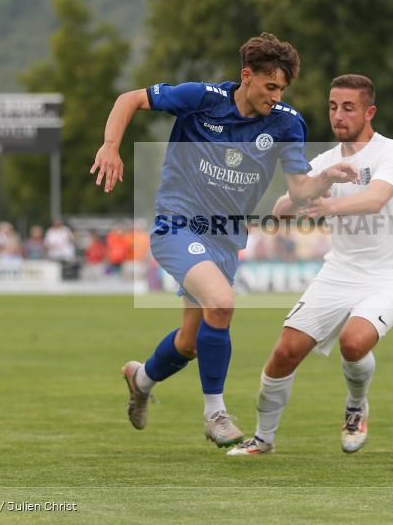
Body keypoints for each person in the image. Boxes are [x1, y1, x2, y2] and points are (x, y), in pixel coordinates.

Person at [90, 33, 358, 447]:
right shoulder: (202, 98)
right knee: (222, 303)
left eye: (282, 89)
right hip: (176, 224)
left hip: (224, 238)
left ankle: (140, 379)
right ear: (246, 76)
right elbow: (129, 99)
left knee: (190, 342)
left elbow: (300, 190)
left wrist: (325, 178)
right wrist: (111, 147)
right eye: (270, 86)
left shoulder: (287, 123)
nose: (276, 95)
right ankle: (215, 413)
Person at [227, 74, 393, 456]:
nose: (338, 115)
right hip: (340, 271)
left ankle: (355, 407)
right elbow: (282, 209)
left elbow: (375, 199)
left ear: (369, 112)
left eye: (348, 107)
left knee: (354, 341)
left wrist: (328, 204)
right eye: (333, 107)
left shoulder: (391, 153)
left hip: (391, 275)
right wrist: (318, 183)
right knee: (284, 352)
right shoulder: (326, 161)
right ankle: (263, 440)